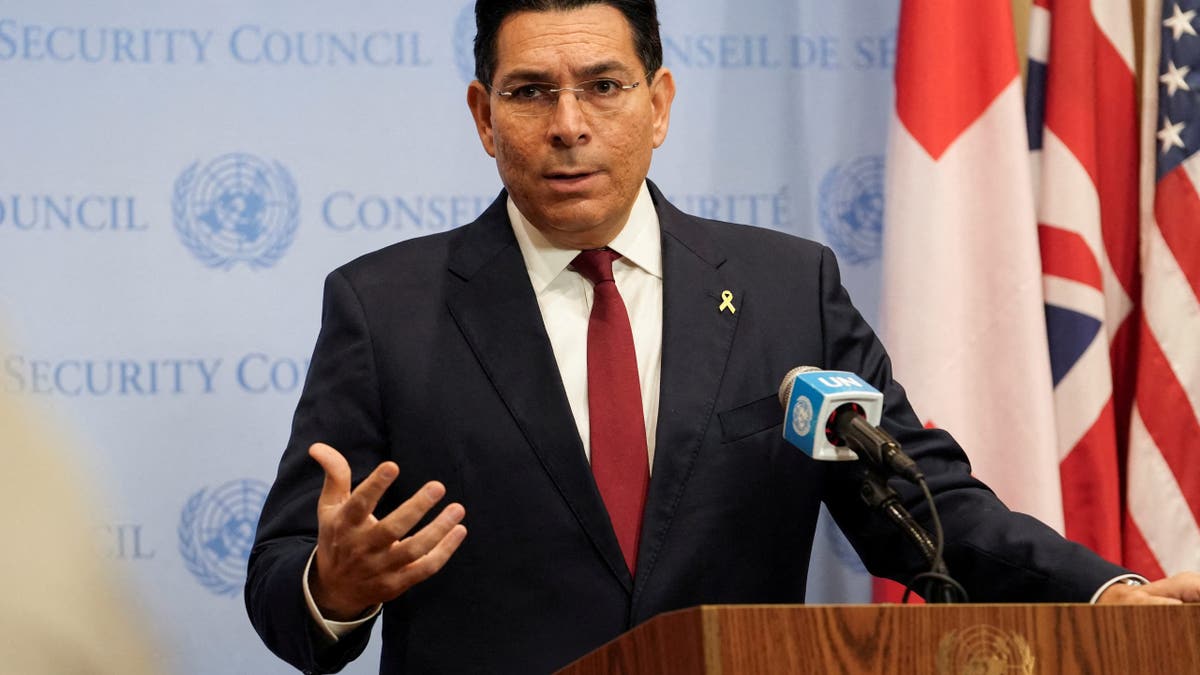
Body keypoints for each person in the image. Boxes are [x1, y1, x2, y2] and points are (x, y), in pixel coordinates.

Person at [245, 1, 1200, 672]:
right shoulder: (386, 307)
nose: (569, 125)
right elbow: (283, 586)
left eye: (603, 86)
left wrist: (1102, 594)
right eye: (531, 91)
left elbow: (922, 502)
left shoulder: (789, 289)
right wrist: (335, 584)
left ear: (659, 103)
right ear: (481, 115)